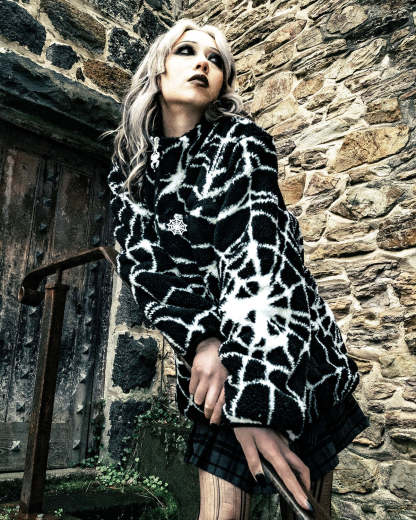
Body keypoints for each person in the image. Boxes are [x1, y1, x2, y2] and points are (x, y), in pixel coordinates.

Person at [103, 17, 370, 520]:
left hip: (286, 349)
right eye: (187, 51)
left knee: (308, 506)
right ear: (158, 68)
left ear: (223, 82)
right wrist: (203, 340)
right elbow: (147, 269)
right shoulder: (131, 170)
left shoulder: (240, 141)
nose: (203, 63)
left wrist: (254, 399)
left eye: (216, 59)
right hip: (212, 364)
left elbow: (259, 260)